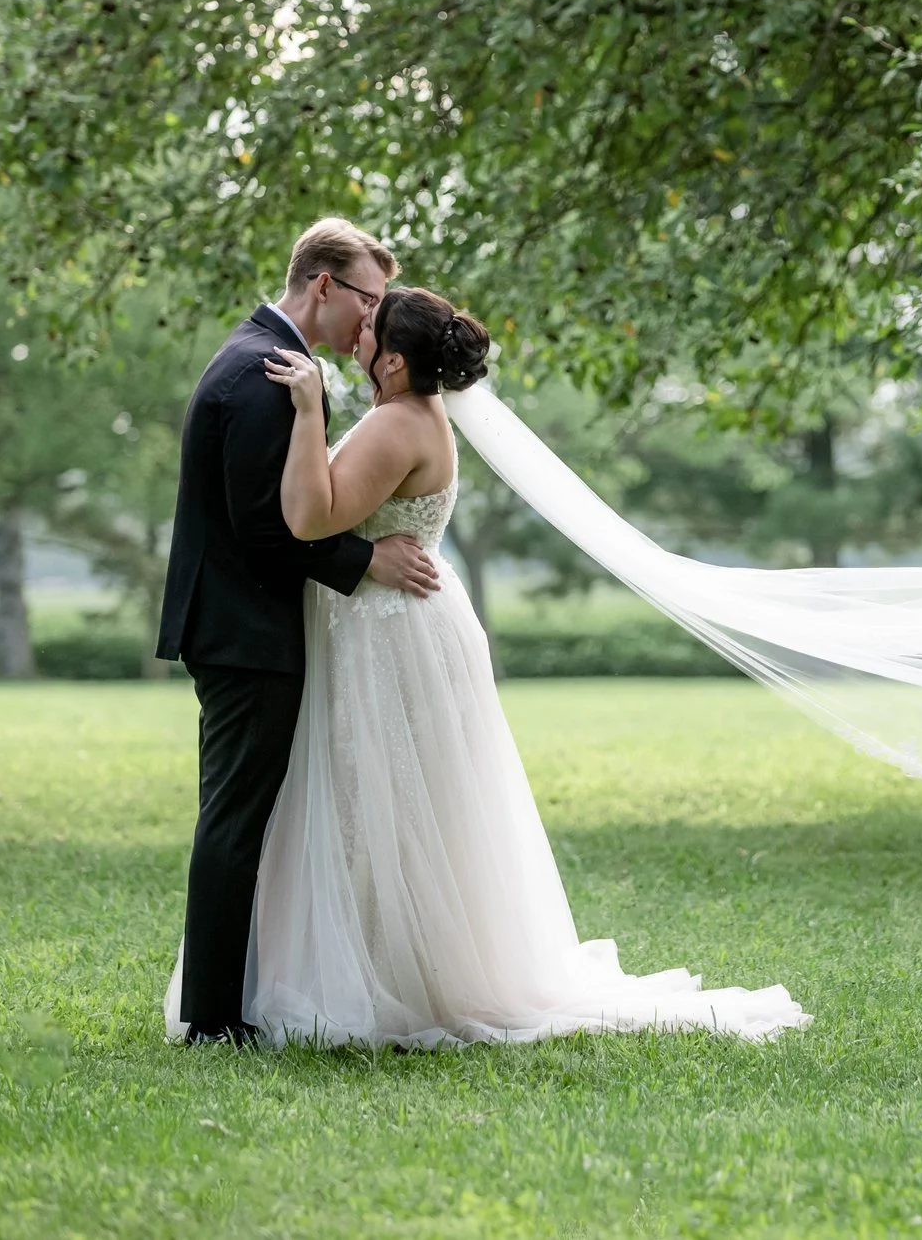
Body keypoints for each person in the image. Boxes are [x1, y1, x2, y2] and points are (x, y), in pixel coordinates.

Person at [165, 283, 809, 1047]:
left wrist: (308, 416)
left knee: (386, 808)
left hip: (386, 635)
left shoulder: (393, 425)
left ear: (395, 364)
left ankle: (390, 979)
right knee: (396, 810)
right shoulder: (416, 414)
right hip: (401, 623)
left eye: (370, 329)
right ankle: (380, 966)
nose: (356, 335)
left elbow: (307, 516)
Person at [155, 219, 445, 1047]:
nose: (372, 320)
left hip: (248, 624)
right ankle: (213, 1019)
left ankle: (236, 998)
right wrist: (364, 561)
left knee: (248, 818)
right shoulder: (262, 374)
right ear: (324, 286)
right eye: (367, 298)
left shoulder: (275, 361)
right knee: (237, 819)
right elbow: (264, 527)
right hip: (243, 630)